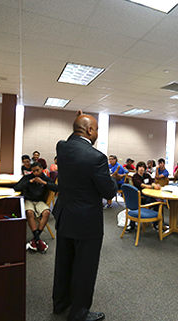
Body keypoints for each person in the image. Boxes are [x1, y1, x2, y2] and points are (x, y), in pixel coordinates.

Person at [52, 114, 117, 321]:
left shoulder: (62, 147)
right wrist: (112, 180)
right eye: (96, 129)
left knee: (64, 261)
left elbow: (72, 139)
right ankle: (79, 313)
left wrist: (78, 120)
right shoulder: (96, 158)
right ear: (90, 131)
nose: (97, 133)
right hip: (86, 222)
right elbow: (108, 192)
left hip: (64, 215)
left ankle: (60, 303)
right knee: (85, 268)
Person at [14, 161, 58, 252]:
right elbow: (17, 187)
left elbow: (56, 188)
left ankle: (35, 239)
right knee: (29, 212)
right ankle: (38, 239)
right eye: (33, 171)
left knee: (46, 212)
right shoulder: (28, 177)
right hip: (29, 200)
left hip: (40, 201)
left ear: (42, 169)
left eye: (37, 170)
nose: (35, 173)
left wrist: (44, 183)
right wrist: (29, 182)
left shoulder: (45, 178)